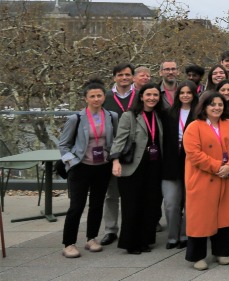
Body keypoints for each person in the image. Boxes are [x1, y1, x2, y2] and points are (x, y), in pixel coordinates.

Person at [183, 90, 229, 270]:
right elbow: (194, 154)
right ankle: (197, 256)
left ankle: (222, 252)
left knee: (225, 217)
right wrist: (219, 166)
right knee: (201, 219)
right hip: (204, 178)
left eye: (220, 104)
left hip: (228, 176)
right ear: (204, 106)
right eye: (213, 104)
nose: (217, 108)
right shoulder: (194, 127)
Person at [58, 80, 120, 258]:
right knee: (76, 206)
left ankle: (92, 238)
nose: (96, 99)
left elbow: (115, 139)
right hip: (81, 167)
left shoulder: (111, 116)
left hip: (102, 166)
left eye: (99, 95)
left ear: (104, 97)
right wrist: (72, 162)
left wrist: (113, 158)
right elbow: (63, 145)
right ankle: (69, 243)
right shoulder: (75, 118)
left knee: (97, 204)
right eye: (92, 96)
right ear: (85, 98)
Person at [111, 84, 173, 254]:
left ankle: (146, 240)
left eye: (155, 95)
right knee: (132, 205)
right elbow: (120, 139)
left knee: (151, 205)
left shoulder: (160, 116)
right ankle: (131, 243)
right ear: (141, 96)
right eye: (148, 95)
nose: (152, 98)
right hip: (133, 167)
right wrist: (115, 161)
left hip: (154, 166)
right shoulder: (129, 116)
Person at [99, 63, 136, 246]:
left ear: (133, 77)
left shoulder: (140, 96)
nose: (124, 78)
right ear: (114, 77)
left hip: (134, 151)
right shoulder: (105, 98)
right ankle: (110, 229)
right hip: (111, 149)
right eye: (120, 75)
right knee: (111, 194)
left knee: (133, 192)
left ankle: (134, 227)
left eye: (128, 75)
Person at [165, 81, 198, 249]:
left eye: (189, 92)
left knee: (189, 203)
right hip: (171, 163)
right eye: (182, 92)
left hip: (192, 162)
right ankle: (172, 237)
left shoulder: (199, 114)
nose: (185, 95)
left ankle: (186, 235)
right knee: (171, 203)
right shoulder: (168, 113)